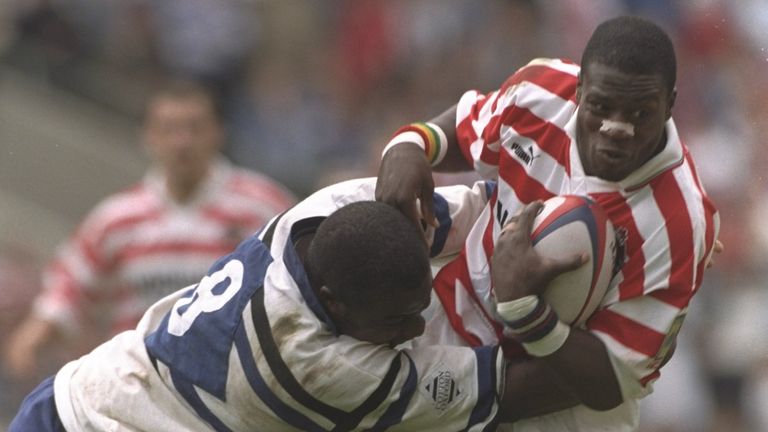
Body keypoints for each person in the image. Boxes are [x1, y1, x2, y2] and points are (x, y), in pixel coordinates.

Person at [9, 176, 586, 431]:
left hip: (84, 392)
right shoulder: (309, 367)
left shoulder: (335, 208)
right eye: (396, 320)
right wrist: (621, 351)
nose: (414, 328)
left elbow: (485, 212)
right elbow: (511, 391)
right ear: (332, 303)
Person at [376, 15, 721, 430]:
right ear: (579, 91)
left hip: (557, 412)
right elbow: (468, 127)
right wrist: (414, 142)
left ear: (670, 104)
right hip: (447, 337)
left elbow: (613, 379)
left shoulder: (679, 222)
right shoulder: (540, 91)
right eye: (600, 107)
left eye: (640, 113)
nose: (617, 128)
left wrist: (525, 311)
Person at [4, 80, 296, 380]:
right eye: (169, 129)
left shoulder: (262, 208)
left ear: (218, 133)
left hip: (230, 383)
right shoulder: (118, 219)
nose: (182, 141)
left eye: (195, 128)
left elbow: (297, 281)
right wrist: (36, 331)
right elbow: (69, 283)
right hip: (138, 383)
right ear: (148, 136)